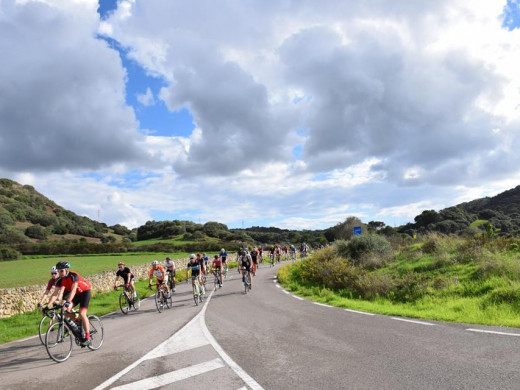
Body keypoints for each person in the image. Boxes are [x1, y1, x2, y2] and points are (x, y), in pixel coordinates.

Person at [47, 261, 92, 347]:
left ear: (67, 270)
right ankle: (77, 321)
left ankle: (87, 337)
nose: (60, 273)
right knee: (65, 310)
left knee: (82, 313)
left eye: (62, 271)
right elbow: (55, 294)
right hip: (76, 295)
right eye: (58, 271)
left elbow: (74, 290)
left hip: (85, 292)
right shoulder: (59, 280)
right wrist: (48, 305)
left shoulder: (73, 275)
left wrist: (68, 301)